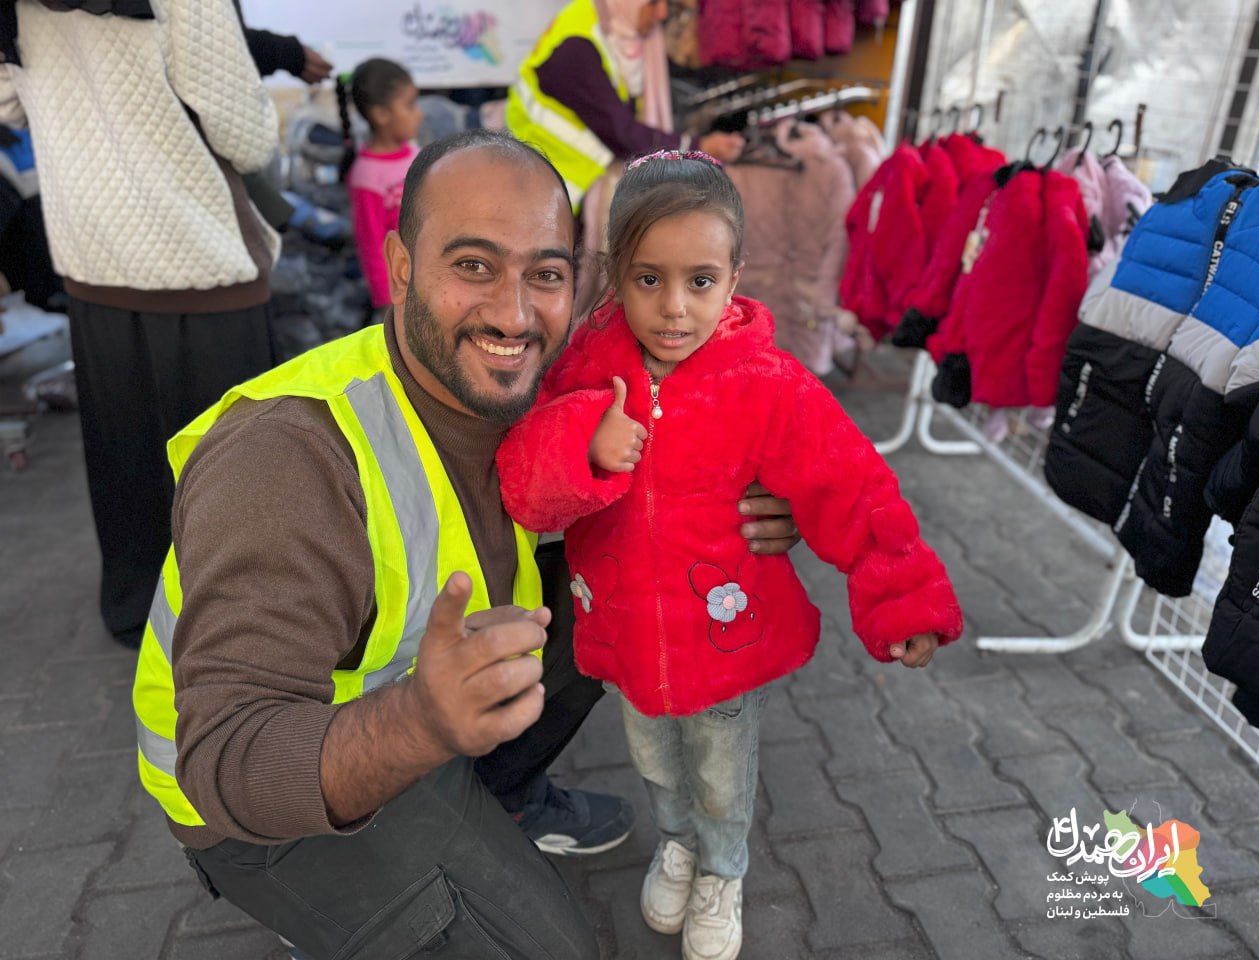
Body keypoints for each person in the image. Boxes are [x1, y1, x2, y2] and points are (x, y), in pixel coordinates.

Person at [130, 129, 803, 959]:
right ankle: (351, 892)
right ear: (402, 266)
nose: (515, 314)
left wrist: (763, 506)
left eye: (546, 275)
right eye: (475, 265)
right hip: (265, 812)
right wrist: (420, 723)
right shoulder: (289, 457)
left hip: (425, 708)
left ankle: (500, 799)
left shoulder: (521, 386)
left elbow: (682, 479)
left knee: (626, 588)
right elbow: (228, 758)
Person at [497, 151, 965, 960]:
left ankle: (722, 868)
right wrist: (588, 444)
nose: (674, 309)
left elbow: (854, 491)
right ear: (614, 271)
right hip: (627, 640)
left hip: (725, 642)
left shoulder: (768, 384)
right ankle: (677, 844)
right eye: (648, 280)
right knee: (655, 762)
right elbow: (525, 483)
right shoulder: (582, 372)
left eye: (701, 281)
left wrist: (904, 601)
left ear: (736, 274)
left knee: (720, 769)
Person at [0, 0, 280, 649]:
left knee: (123, 453)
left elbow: (8, 104)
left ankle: (139, 610)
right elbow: (242, 128)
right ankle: (245, 624)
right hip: (194, 250)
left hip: (90, 254)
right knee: (231, 462)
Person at [507, 0, 744, 215]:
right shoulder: (577, 47)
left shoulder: (613, 29)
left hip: (566, 184)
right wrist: (697, 146)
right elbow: (621, 132)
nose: (662, 14)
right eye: (652, 3)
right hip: (542, 185)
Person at [337, 57, 423, 313]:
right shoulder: (367, 176)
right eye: (410, 105)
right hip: (402, 292)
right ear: (381, 114)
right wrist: (387, 299)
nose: (419, 113)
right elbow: (371, 243)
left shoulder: (414, 153)